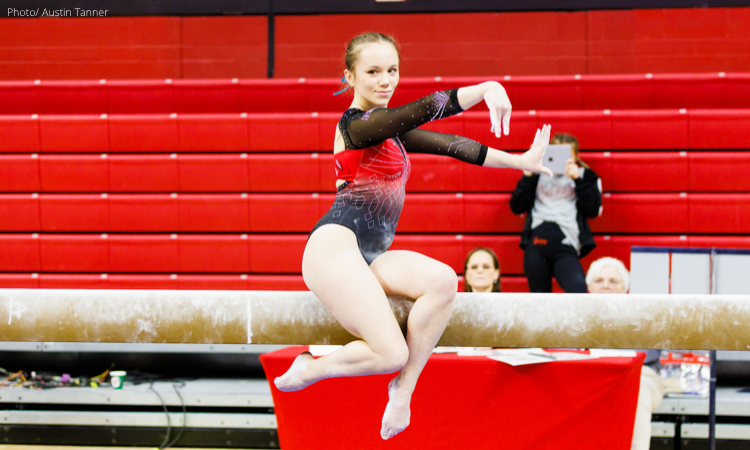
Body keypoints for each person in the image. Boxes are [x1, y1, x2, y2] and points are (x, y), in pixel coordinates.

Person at [273, 32, 553, 440]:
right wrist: (488, 87)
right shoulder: (356, 125)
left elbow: (454, 145)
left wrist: (519, 161)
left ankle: (403, 389)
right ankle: (312, 367)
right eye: (373, 72)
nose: (385, 80)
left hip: (373, 256)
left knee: (442, 280)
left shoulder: (388, 130)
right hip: (336, 247)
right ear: (350, 75)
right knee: (389, 351)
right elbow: (424, 110)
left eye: (392, 70)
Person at [587, 257, 664, 450]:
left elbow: (649, 354)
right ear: (589, 287)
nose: (605, 286)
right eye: (599, 281)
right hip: (590, 376)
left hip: (639, 376)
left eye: (613, 281)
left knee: (637, 394)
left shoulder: (641, 313)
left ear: (625, 288)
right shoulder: (574, 316)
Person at [509, 133, 602, 293]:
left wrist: (578, 180)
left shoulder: (586, 176)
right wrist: (527, 173)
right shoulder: (536, 175)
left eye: (566, 156)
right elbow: (516, 206)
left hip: (566, 242)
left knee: (578, 291)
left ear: (575, 157)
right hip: (538, 242)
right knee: (540, 300)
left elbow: (593, 210)